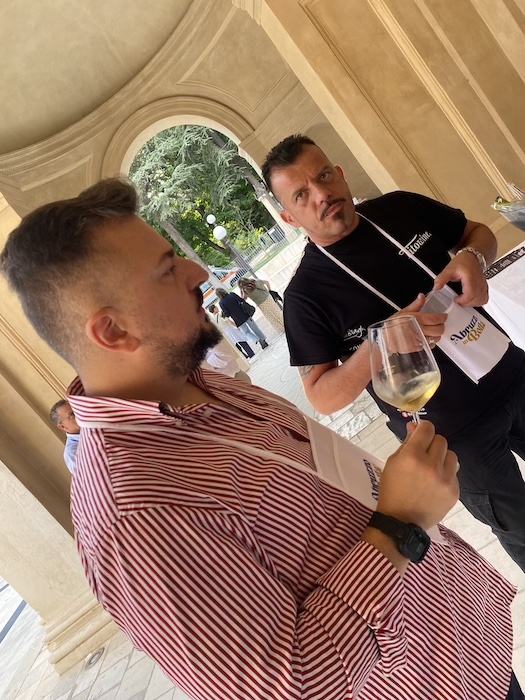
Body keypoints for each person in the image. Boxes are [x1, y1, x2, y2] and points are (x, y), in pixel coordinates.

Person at [1, 179, 521, 700]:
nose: (198, 272)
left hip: (461, 649)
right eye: (167, 270)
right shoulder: (132, 514)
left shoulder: (202, 383)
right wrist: (400, 523)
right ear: (113, 332)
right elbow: (289, 686)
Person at [261, 133, 525, 573]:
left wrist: (474, 258)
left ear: (340, 174)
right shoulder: (305, 296)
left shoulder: (400, 208)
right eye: (301, 195)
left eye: (323, 176)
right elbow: (323, 395)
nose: (322, 194)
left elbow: (475, 234)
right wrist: (381, 343)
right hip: (451, 433)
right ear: (289, 216)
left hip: (510, 370)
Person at [49, 399, 80, 473]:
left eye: (77, 409)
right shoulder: (72, 452)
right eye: (72, 414)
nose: (79, 414)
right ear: (63, 426)